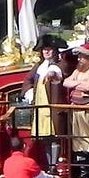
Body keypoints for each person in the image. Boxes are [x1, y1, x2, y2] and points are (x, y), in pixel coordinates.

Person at [22, 34, 68, 166]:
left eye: (49, 49)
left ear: (55, 50)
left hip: (54, 107)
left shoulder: (61, 64)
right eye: (44, 49)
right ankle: (49, 165)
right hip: (40, 106)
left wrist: (52, 73)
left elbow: (59, 72)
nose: (46, 52)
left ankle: (55, 165)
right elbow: (27, 80)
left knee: (55, 137)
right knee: (45, 138)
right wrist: (30, 92)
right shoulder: (38, 66)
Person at [63, 45, 89, 178]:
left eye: (82, 57)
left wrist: (76, 83)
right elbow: (65, 82)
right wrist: (79, 83)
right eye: (78, 57)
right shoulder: (77, 70)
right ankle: (83, 172)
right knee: (78, 139)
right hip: (76, 109)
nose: (79, 59)